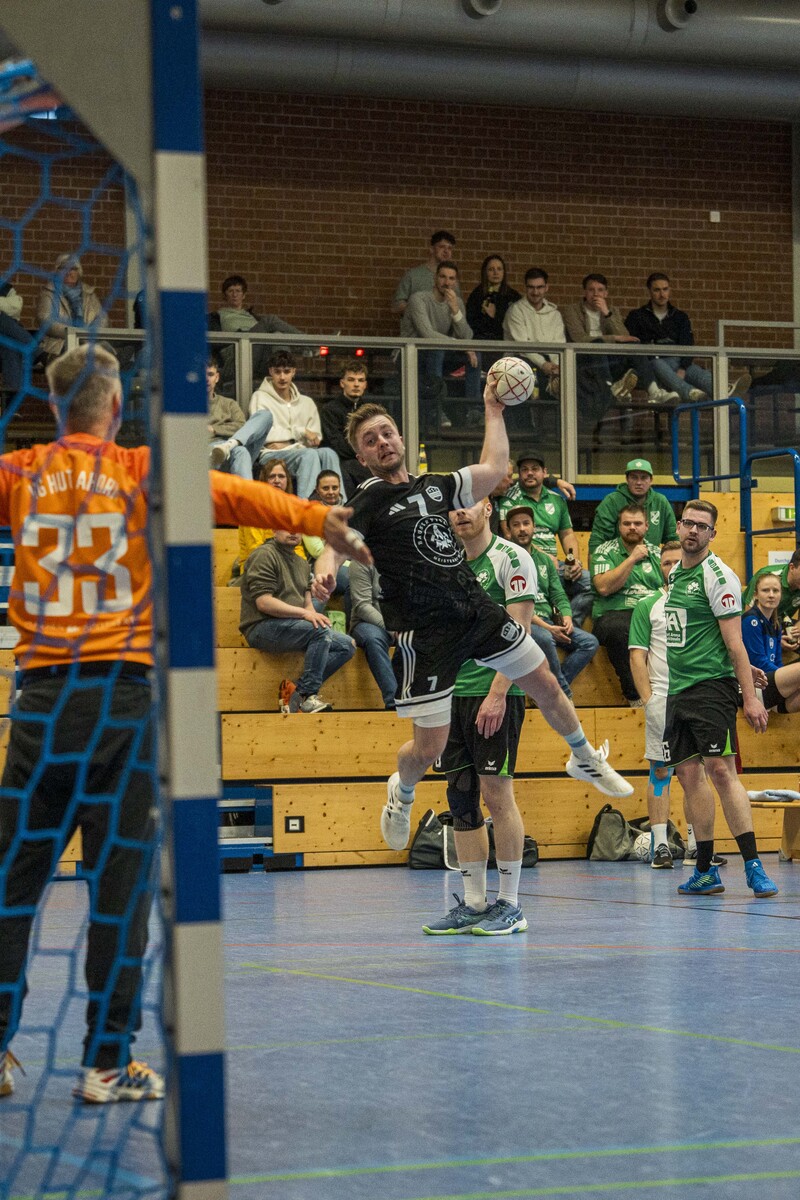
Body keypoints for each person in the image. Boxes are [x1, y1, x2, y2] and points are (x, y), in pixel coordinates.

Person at [0, 344, 369, 1104]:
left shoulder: (21, 471)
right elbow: (234, 494)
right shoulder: (140, 471)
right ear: (117, 406)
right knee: (119, 889)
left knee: (13, 886)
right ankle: (106, 1064)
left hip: (41, 703)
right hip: (122, 703)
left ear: (54, 405)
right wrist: (317, 520)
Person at [311, 392, 633, 862]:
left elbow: (494, 468)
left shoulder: (436, 486)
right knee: (429, 747)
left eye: (386, 433)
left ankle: (583, 757)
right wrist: (324, 572)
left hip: (475, 611)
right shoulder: (369, 500)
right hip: (426, 634)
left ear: (401, 438)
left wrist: (494, 410)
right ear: (361, 457)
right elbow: (333, 544)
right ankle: (402, 792)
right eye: (370, 440)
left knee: (545, 680)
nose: (382, 442)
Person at [423, 498, 537, 936]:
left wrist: (498, 692)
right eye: (453, 507)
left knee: (496, 793)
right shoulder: (445, 563)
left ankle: (510, 904)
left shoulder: (511, 558)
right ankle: (473, 903)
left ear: (488, 508)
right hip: (453, 696)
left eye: (469, 504)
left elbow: (520, 631)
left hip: (494, 694)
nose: (460, 513)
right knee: (460, 795)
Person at [663, 500, 778, 898]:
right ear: (679, 528)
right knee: (688, 776)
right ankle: (705, 870)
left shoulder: (719, 576)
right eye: (688, 523)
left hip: (711, 687)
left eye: (702, 526)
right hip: (677, 690)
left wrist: (750, 698)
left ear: (712, 534)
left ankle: (753, 865)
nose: (693, 530)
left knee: (721, 771)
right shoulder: (675, 573)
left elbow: (734, 643)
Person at [629, 541, 734, 869]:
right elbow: (637, 656)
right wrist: (649, 701)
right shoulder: (648, 605)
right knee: (661, 770)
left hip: (698, 697)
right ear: (660, 567)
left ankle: (696, 846)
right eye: (666, 562)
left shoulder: (700, 598)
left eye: (677, 561)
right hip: (663, 699)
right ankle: (660, 846)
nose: (672, 567)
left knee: (697, 773)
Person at [240, 529, 356, 714]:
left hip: (290, 625)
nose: (293, 531)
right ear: (274, 529)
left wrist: (316, 616)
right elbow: (264, 602)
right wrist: (305, 615)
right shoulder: (264, 555)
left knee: (347, 645)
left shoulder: (302, 563)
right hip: (261, 627)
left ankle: (296, 690)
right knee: (319, 632)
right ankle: (309, 695)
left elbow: (307, 603)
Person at [505, 505, 598, 699]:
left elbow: (558, 594)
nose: (522, 529)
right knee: (546, 638)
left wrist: (567, 616)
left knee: (589, 643)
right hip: (525, 624)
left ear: (534, 527)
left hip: (548, 621)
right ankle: (562, 694)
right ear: (509, 530)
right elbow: (515, 608)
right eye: (516, 525)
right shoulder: (506, 559)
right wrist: (548, 627)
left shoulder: (544, 560)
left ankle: (544, 691)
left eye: (526, 524)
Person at [625, 273, 751, 404]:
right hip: (652, 364)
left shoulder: (680, 317)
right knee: (657, 362)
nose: (662, 294)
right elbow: (634, 344)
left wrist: (683, 368)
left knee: (694, 370)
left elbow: (688, 344)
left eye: (665, 289)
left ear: (670, 290)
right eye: (657, 290)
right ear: (649, 291)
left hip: (678, 361)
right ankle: (696, 392)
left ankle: (722, 390)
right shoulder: (637, 316)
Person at [497, 452, 591, 625]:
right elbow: (509, 536)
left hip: (556, 567)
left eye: (535, 469)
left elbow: (568, 534)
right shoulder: (508, 498)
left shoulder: (557, 500)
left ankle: (568, 626)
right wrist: (544, 557)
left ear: (545, 472)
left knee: (589, 583)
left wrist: (574, 561)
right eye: (524, 470)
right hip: (525, 563)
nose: (529, 473)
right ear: (519, 474)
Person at [561, 273, 679, 408]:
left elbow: (625, 337)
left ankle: (654, 392)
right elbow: (579, 339)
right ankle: (610, 391)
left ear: (606, 293)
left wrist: (606, 313)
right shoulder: (572, 310)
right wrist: (614, 338)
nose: (596, 294)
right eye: (591, 290)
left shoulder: (612, 311)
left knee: (634, 345)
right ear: (584, 292)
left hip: (610, 361)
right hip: (586, 361)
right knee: (598, 343)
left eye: (600, 290)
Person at [590, 503, 663, 705]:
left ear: (647, 526)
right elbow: (603, 587)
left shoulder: (658, 554)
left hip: (650, 612)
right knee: (619, 629)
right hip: (614, 613)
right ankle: (636, 696)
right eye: (627, 523)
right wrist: (631, 559)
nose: (632, 527)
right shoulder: (604, 551)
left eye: (637, 523)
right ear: (619, 526)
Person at [250, 348, 343, 498]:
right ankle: (306, 507)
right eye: (277, 372)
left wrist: (288, 441)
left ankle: (339, 504)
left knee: (328, 453)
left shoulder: (307, 402)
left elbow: (315, 439)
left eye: (286, 371)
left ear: (293, 371)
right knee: (309, 455)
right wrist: (301, 433)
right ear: (271, 372)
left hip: (301, 451)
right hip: (271, 455)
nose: (282, 377)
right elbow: (264, 436)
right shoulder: (260, 397)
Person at [401, 260, 480, 410]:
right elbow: (427, 334)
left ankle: (473, 410)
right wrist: (460, 345)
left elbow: (467, 336)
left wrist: (456, 311)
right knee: (437, 348)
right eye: (443, 277)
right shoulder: (418, 299)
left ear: (455, 282)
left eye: (451, 278)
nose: (447, 282)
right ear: (435, 278)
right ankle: (436, 410)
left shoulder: (457, 302)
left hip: (440, 354)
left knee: (475, 354)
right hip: (412, 354)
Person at [207, 274, 302, 389]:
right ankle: (306, 344)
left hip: (258, 356)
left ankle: (282, 379)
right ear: (225, 295)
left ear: (244, 295)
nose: (234, 294)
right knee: (270, 320)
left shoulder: (253, 317)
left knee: (277, 335)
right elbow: (213, 343)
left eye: (238, 291)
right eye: (230, 291)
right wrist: (240, 334)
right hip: (235, 357)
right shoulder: (217, 316)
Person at [588, 457, 677, 561]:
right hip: (617, 563)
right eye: (634, 477)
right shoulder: (612, 501)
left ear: (651, 480)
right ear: (627, 479)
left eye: (644, 478)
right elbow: (597, 540)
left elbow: (672, 539)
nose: (639, 482)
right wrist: (595, 569)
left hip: (652, 564)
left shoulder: (661, 502)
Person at [741, 573, 800, 713]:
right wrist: (787, 678)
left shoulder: (776, 623)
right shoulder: (751, 620)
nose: (771, 595)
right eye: (765, 590)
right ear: (756, 595)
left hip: (772, 689)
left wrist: (786, 680)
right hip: (754, 685)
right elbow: (757, 661)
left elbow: (778, 661)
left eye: (776, 591)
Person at [207, 356, 273, 477]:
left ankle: (229, 445)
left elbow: (242, 426)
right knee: (240, 451)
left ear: (217, 377)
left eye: (210, 374)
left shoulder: (229, 403)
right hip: (209, 455)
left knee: (266, 415)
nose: (206, 379)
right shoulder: (190, 406)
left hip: (236, 451)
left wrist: (214, 429)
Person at [35, 254, 105, 361]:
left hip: (89, 341)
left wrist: (90, 334)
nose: (68, 272)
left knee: (106, 349)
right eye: (63, 268)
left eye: (72, 268)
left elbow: (102, 319)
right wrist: (74, 332)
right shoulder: (49, 292)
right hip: (59, 346)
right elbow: (45, 320)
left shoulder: (89, 294)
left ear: (78, 272)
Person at [320, 360, 373, 496]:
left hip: (367, 460)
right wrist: (364, 452)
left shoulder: (371, 410)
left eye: (360, 380)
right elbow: (337, 445)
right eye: (351, 380)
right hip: (341, 462)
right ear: (342, 383)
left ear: (365, 384)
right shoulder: (330, 410)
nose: (356, 384)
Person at [349, 561, 397, 709]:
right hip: (367, 623)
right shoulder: (360, 562)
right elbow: (362, 606)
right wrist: (392, 628)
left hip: (400, 624)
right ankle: (394, 701)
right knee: (373, 639)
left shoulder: (403, 561)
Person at [465, 254, 521, 373]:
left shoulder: (513, 296)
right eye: (491, 269)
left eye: (499, 269)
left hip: (504, 343)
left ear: (504, 272)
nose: (496, 273)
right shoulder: (477, 295)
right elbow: (470, 322)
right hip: (481, 343)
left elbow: (515, 326)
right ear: (485, 273)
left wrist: (496, 315)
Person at [391, 230, 459, 317]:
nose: (446, 251)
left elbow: (458, 307)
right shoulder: (413, 275)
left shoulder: (452, 280)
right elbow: (395, 306)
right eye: (442, 247)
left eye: (450, 248)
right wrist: (419, 310)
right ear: (431, 249)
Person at [743, 548, 800, 651]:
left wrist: (796, 632)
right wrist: (776, 640)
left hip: (778, 623)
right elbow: (749, 620)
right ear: (792, 567)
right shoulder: (767, 578)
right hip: (750, 623)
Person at [0, 280, 34, 394]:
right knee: (2, 318)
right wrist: (4, 305)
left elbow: (16, 308)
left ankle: (11, 401)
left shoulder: (4, 287)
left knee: (11, 346)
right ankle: (37, 352)